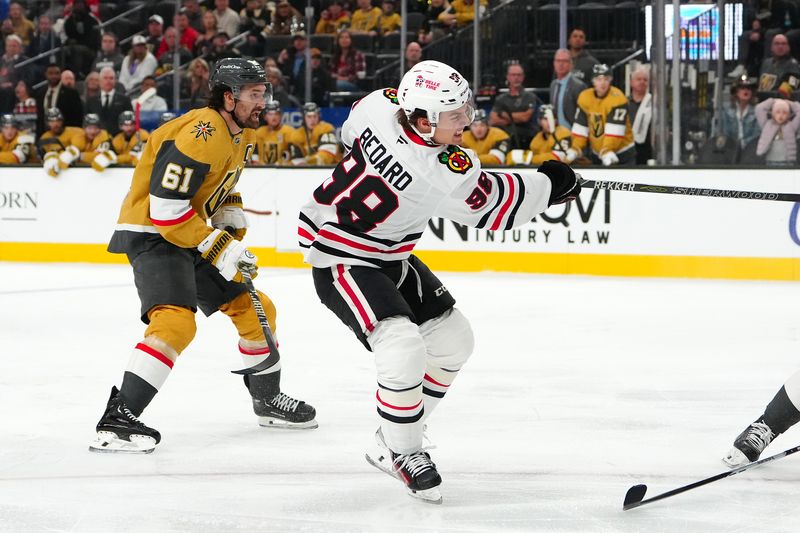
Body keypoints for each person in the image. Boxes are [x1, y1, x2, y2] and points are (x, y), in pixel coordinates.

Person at [298, 60, 580, 503]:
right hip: (341, 257)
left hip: (389, 256)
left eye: (466, 108)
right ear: (425, 119)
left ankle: (394, 431)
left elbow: (352, 133)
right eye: (456, 114)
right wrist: (550, 184)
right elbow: (495, 208)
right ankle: (402, 451)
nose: (467, 119)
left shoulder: (379, 105)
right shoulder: (444, 168)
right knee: (401, 345)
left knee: (454, 340)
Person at [89, 58, 317, 454]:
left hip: (188, 230)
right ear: (228, 97)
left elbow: (218, 185)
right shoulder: (201, 133)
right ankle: (118, 418)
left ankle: (266, 399)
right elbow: (165, 210)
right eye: (253, 94)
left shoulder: (242, 132)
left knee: (256, 308)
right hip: (153, 233)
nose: (262, 102)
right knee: (176, 323)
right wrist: (220, 245)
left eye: (263, 93)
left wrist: (229, 216)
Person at [572, 63, 635, 166]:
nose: (602, 83)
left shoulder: (618, 98)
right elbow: (581, 127)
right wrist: (575, 148)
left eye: (606, 79)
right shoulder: (585, 97)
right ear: (593, 81)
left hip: (622, 153)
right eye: (599, 79)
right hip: (598, 153)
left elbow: (615, 131)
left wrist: (607, 150)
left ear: (610, 81)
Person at [489, 62, 541, 149]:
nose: (516, 78)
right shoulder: (501, 98)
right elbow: (493, 120)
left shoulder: (529, 96)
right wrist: (515, 119)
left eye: (519, 75)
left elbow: (525, 117)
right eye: (513, 75)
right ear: (508, 77)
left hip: (526, 138)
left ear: (523, 77)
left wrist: (504, 115)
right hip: (505, 139)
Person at [507, 104, 574, 166]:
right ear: (539, 121)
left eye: (553, 118)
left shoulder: (563, 133)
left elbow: (557, 157)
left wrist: (530, 159)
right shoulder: (537, 139)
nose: (549, 122)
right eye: (545, 119)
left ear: (556, 120)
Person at [34, 64, 83, 135]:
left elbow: (77, 117)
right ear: (45, 74)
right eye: (50, 73)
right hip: (44, 134)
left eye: (57, 73)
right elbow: (40, 118)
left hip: (65, 134)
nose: (54, 76)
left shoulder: (71, 93)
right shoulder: (41, 93)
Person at [85, 67, 133, 136]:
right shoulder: (91, 100)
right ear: (100, 80)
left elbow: (130, 121)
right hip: (96, 138)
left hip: (119, 138)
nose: (108, 81)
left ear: (115, 81)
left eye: (111, 78)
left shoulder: (124, 100)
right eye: (105, 78)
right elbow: (86, 122)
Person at [38, 107, 84, 177]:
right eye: (52, 121)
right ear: (47, 123)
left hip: (79, 171)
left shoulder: (76, 132)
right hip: (56, 173)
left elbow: (78, 149)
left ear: (62, 121)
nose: (56, 124)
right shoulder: (44, 138)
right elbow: (43, 157)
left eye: (58, 120)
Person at [720, 75, 760, 156]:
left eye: (749, 88)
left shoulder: (757, 112)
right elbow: (723, 134)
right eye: (742, 88)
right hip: (729, 152)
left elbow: (757, 136)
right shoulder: (726, 111)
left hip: (750, 153)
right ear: (736, 92)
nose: (746, 91)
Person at [754, 97, 800, 166]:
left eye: (784, 113)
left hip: (787, 162)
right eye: (778, 112)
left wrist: (790, 103)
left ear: (788, 115)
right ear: (773, 113)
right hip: (770, 160)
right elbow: (759, 109)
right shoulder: (766, 125)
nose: (781, 115)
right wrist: (773, 101)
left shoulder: (791, 126)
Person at [549, 48, 586, 130]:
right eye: (558, 61)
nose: (561, 64)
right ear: (554, 63)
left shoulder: (578, 86)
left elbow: (583, 114)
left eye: (564, 61)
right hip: (557, 133)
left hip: (574, 132)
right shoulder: (553, 85)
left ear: (571, 64)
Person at [757, 33, 800, 100]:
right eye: (777, 43)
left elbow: (784, 93)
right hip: (762, 101)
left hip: (780, 103)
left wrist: (759, 94)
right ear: (771, 47)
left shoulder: (793, 66)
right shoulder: (766, 63)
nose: (780, 46)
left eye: (783, 44)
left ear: (788, 47)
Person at [254, 101, 296, 165]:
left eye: (276, 114)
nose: (274, 117)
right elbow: (253, 152)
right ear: (265, 117)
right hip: (261, 169)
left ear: (281, 115)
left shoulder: (290, 132)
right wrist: (255, 162)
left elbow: (295, 154)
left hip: (283, 169)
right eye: (270, 114)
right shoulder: (259, 132)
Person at [628, 65, 652, 165]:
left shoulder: (653, 104)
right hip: (628, 150)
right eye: (639, 79)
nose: (642, 82)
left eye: (645, 80)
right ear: (631, 82)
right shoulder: (624, 103)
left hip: (648, 151)